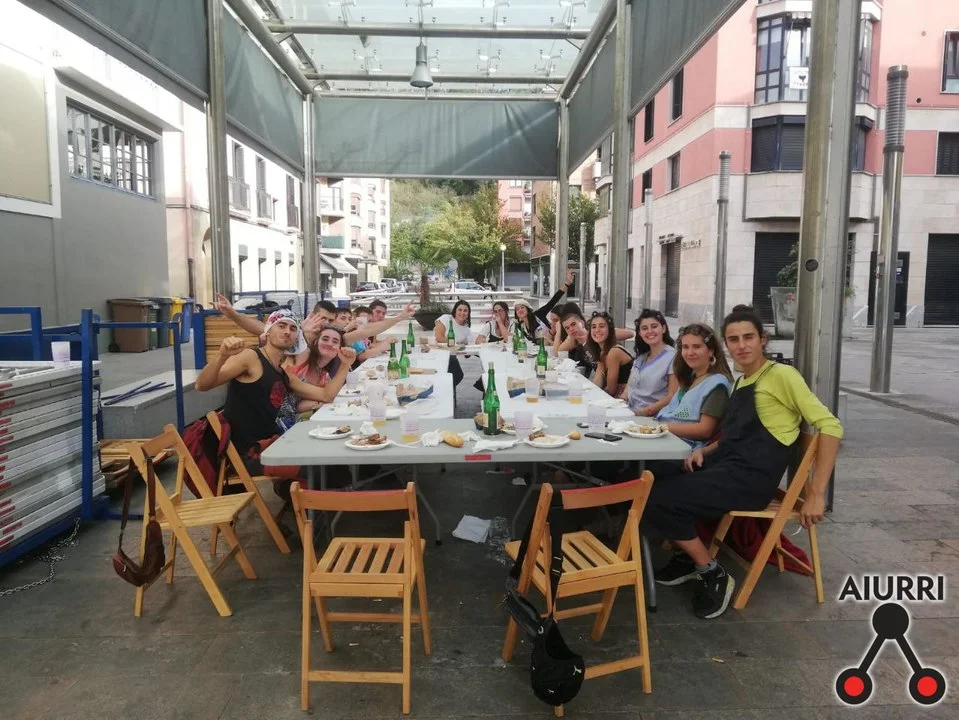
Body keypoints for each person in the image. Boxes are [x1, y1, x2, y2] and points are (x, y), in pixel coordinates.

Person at [644, 305, 842, 620]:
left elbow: (830, 426)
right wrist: (705, 451)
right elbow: (734, 436)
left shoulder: (781, 376)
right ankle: (688, 553)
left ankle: (711, 571)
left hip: (750, 480)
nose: (742, 345)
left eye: (748, 337)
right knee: (654, 474)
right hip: (725, 466)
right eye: (734, 339)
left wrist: (817, 493)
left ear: (763, 339)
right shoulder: (742, 381)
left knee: (656, 497)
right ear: (726, 344)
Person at [195, 310, 356, 481]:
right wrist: (221, 356)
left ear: (296, 337)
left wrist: (345, 365)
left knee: (336, 459)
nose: (287, 331)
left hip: (276, 444)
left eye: (293, 329)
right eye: (281, 326)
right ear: (268, 330)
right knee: (326, 469)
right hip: (253, 453)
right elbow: (202, 385)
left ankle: (291, 491)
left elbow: (326, 395)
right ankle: (297, 494)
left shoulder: (283, 373)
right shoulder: (251, 357)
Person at [655, 323, 732, 447]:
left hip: (686, 449)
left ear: (711, 350)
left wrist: (660, 427)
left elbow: (704, 431)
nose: (690, 352)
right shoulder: (691, 377)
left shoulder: (717, 385)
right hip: (668, 440)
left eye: (697, 347)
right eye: (685, 347)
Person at [623, 309, 678, 416]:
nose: (649, 331)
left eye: (654, 326)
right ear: (640, 333)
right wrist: (621, 401)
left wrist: (645, 411)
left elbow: (672, 395)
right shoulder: (641, 358)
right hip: (630, 412)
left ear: (663, 328)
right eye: (644, 328)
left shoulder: (673, 357)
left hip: (653, 417)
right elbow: (628, 388)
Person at [513, 269, 575, 342]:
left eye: (522, 307)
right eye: (517, 309)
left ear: (528, 309)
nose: (520, 310)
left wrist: (566, 284)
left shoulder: (538, 315)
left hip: (556, 342)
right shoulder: (520, 326)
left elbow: (553, 301)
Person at [434, 299, 483, 386]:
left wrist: (474, 350)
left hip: (451, 355)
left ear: (468, 313)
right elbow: (439, 338)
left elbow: (468, 348)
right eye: (460, 310)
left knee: (457, 375)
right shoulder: (446, 318)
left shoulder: (466, 328)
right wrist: (457, 345)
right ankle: (446, 390)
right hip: (438, 353)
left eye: (465, 310)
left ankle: (448, 390)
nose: (462, 313)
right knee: (456, 374)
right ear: (455, 311)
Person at [585, 311, 634, 397]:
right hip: (612, 397)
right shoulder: (601, 352)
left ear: (610, 330)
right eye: (593, 327)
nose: (597, 330)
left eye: (602, 326)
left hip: (626, 400)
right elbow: (598, 382)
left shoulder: (614, 352)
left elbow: (611, 390)